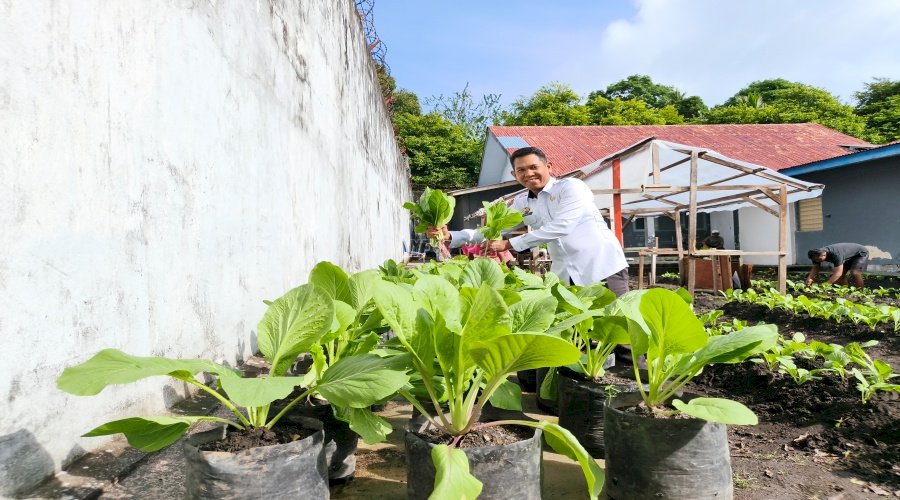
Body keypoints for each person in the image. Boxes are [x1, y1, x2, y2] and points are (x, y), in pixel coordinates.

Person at [428, 146, 630, 296]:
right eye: (521, 170)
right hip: (565, 272)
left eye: (534, 167)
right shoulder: (522, 202)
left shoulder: (571, 187)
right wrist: (451, 235)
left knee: (621, 329)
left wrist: (509, 244)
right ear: (514, 174)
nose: (528, 173)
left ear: (548, 166)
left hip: (602, 265)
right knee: (579, 333)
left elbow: (563, 226)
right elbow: (491, 231)